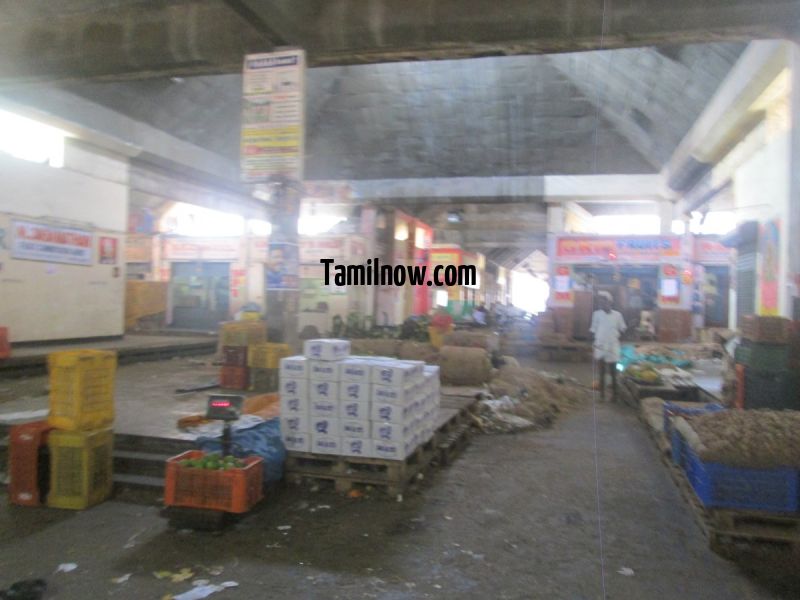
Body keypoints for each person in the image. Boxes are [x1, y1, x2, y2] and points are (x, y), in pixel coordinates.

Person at [590, 291, 627, 401]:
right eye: (600, 302)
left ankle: (614, 396)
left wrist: (617, 336)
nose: (601, 304)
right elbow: (593, 330)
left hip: (612, 346)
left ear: (610, 302)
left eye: (604, 301)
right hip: (600, 346)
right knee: (601, 372)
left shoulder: (617, 315)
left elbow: (623, 328)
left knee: (613, 372)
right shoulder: (596, 314)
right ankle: (602, 395)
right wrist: (594, 344)